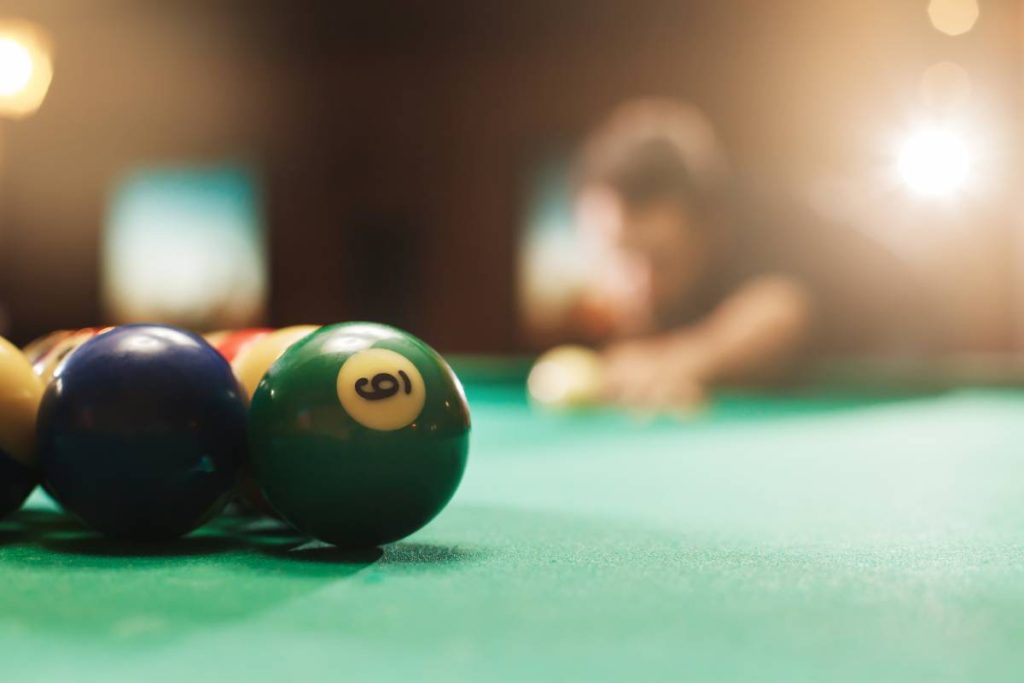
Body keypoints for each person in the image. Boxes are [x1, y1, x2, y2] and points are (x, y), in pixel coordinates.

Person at [563, 99, 939, 408]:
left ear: (709, 227)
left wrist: (676, 363)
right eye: (621, 256)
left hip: (897, 348)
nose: (641, 284)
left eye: (660, 260)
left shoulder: (764, 214)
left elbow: (778, 313)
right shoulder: (659, 267)